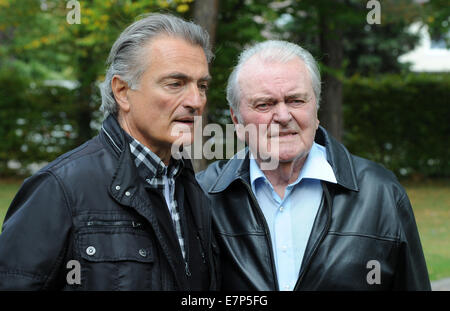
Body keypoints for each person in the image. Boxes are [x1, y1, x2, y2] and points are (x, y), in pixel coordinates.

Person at [0, 13, 219, 290]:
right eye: (175, 84)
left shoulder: (191, 188)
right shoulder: (60, 189)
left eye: (202, 86)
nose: (195, 101)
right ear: (122, 91)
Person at [196, 40, 431, 291]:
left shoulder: (380, 192)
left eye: (296, 100)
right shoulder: (203, 195)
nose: (284, 116)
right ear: (237, 120)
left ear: (316, 110)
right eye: (265, 104)